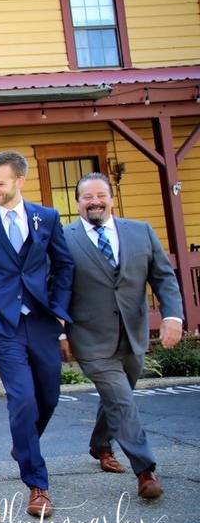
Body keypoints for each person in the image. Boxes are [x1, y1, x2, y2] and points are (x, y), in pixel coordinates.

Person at [0, 150, 74, 517]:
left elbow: (64, 265)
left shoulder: (47, 218)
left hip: (42, 321)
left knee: (49, 398)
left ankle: (23, 444)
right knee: (22, 399)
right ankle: (37, 485)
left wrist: (59, 314)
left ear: (20, 181)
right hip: (2, 327)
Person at [61, 172, 183, 499]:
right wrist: (60, 331)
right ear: (77, 203)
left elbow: (163, 278)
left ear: (111, 198)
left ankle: (100, 445)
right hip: (90, 338)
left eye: (101, 195)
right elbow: (54, 288)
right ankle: (145, 471)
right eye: (87, 197)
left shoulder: (140, 232)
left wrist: (172, 316)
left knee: (118, 396)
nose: (95, 202)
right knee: (121, 399)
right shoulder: (64, 238)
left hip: (133, 335)